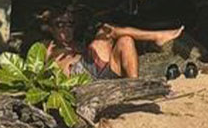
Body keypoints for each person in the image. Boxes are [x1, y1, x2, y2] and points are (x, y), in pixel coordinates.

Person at [43, 9, 183, 80]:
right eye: (60, 24)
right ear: (50, 28)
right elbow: (41, 69)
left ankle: (134, 86)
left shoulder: (79, 43)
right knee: (105, 30)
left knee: (126, 41)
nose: (66, 28)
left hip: (98, 73)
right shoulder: (46, 45)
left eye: (70, 24)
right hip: (78, 79)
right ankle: (157, 36)